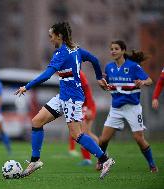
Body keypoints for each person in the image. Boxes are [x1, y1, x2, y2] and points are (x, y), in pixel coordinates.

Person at [15, 22, 115, 179]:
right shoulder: (76, 50)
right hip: (63, 96)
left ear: (59, 36)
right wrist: (99, 77)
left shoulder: (61, 53)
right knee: (36, 121)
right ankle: (35, 161)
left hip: (72, 98)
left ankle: (105, 159)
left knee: (77, 134)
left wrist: (26, 87)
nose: (50, 39)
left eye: (51, 36)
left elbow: (47, 75)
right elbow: (94, 59)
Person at [97, 40, 158, 173]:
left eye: (116, 49)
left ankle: (152, 164)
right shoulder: (109, 67)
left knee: (139, 138)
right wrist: (102, 86)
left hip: (132, 108)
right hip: (116, 108)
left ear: (123, 50)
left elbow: (149, 80)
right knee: (103, 139)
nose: (113, 51)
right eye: (111, 49)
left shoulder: (133, 66)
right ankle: (101, 161)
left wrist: (142, 81)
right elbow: (106, 87)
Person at [68, 70, 99, 166]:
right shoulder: (65, 73)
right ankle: (91, 157)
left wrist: (89, 107)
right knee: (85, 133)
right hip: (81, 106)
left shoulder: (78, 73)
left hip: (87, 107)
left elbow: (87, 91)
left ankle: (99, 156)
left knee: (83, 133)